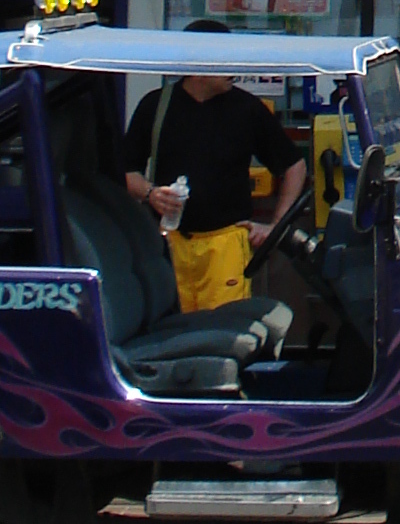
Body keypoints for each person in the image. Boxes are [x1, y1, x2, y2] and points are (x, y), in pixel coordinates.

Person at [124, 21, 306, 314]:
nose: (234, 68)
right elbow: (125, 172)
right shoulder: (156, 106)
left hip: (226, 244)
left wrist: (275, 227)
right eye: (225, 59)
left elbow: (294, 166)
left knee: (223, 333)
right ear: (198, 63)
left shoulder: (247, 109)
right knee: (170, 334)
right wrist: (150, 193)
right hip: (169, 245)